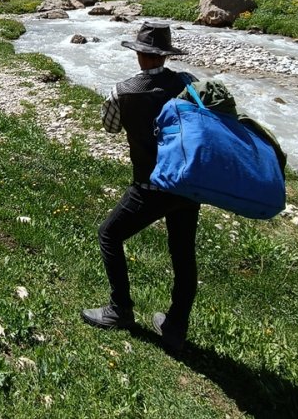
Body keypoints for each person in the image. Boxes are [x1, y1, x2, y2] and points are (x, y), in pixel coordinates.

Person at [81, 22, 199, 354]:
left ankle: (121, 309)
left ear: (139, 55)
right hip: (188, 184)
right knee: (183, 252)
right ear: (166, 54)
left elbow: (110, 128)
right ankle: (176, 326)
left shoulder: (122, 91)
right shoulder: (187, 82)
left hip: (150, 184)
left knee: (109, 234)